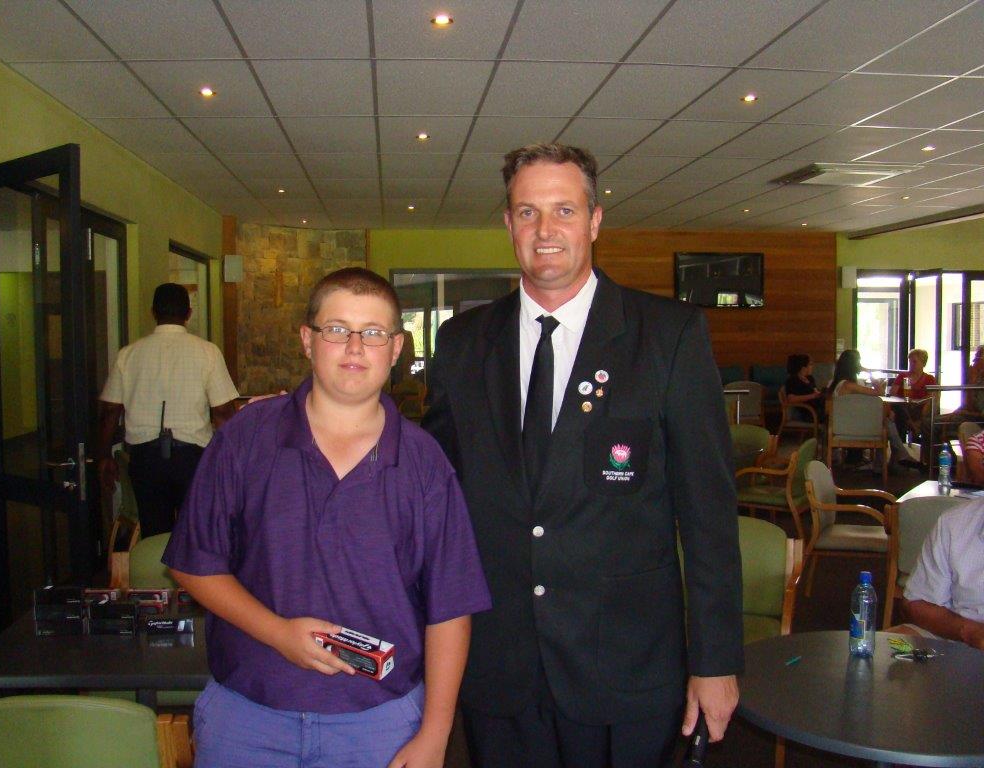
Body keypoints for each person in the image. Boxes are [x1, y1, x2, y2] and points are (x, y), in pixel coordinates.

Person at [422, 143, 743, 768]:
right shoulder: (462, 343)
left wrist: (715, 661)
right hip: (500, 665)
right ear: (508, 224)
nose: (545, 230)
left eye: (564, 210)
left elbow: (708, 514)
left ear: (594, 221)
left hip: (625, 664)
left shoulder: (668, 335)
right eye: (528, 212)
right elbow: (434, 493)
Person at [163, 268, 491, 768]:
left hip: (380, 724)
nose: (355, 347)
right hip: (247, 719)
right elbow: (193, 563)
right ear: (307, 340)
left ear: (396, 348)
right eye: (337, 329)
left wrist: (436, 733)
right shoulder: (245, 438)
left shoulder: (426, 464)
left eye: (373, 333)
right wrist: (278, 633)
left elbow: (450, 608)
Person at [98, 283, 239, 536]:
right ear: (189, 313)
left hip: (145, 460)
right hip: (192, 459)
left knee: (154, 532)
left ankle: (156, 563)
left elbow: (110, 411)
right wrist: (233, 457)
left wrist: (104, 456)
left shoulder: (128, 354)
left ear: (153, 312)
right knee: (194, 532)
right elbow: (223, 413)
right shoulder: (208, 352)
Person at [900, 499, 984, 650]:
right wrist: (971, 632)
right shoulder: (954, 522)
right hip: (961, 636)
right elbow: (917, 602)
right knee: (881, 647)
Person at [828, 349, 922, 472]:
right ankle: (895, 458)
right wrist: (870, 373)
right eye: (858, 362)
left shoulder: (838, 384)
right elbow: (879, 392)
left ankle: (887, 461)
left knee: (886, 421)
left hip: (842, 426)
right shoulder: (850, 385)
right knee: (886, 422)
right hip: (853, 428)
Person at [888, 348, 937, 439]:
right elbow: (892, 393)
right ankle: (913, 427)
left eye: (914, 362)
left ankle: (903, 440)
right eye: (910, 362)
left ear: (923, 363)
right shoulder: (903, 376)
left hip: (919, 408)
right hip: (902, 406)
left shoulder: (929, 379)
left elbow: (932, 397)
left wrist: (917, 401)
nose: (911, 364)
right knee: (899, 410)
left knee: (901, 413)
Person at [784, 353, 824, 421]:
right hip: (808, 412)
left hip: (817, 408)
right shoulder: (792, 380)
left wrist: (820, 393)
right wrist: (812, 396)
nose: (812, 367)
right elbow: (791, 399)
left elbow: (815, 391)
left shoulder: (810, 378)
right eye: (810, 364)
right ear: (803, 368)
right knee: (830, 415)